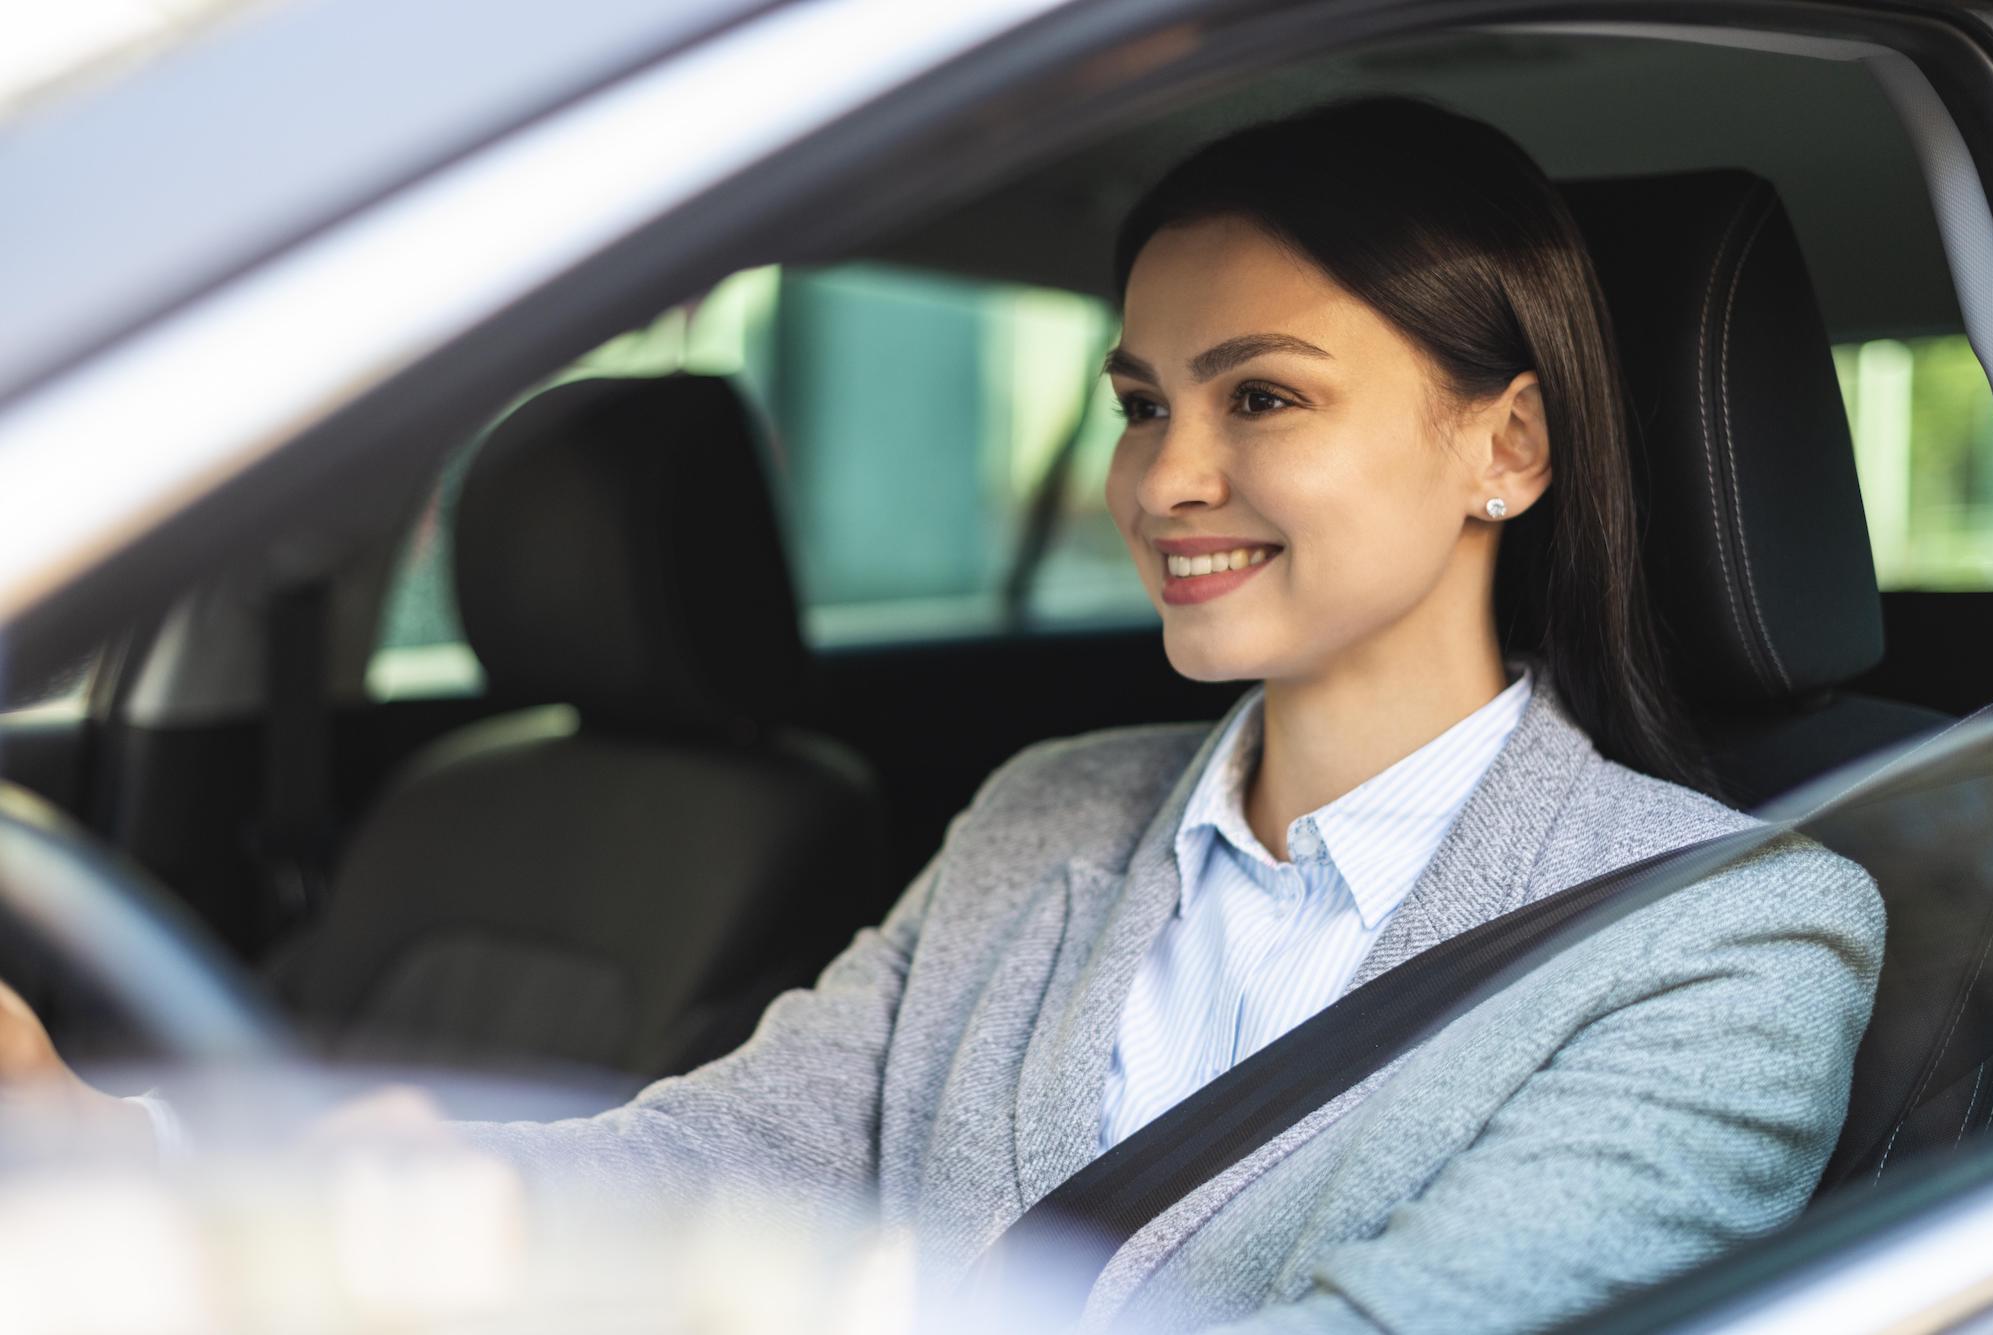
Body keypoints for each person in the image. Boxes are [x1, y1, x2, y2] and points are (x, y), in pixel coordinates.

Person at [0, 96, 1883, 1333]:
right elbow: (722, 1152)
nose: (1164, 482)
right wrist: (156, 1160)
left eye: (1268, 399)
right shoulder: (1043, 812)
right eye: (1145, 402)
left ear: (1508, 445)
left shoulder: (1723, 941)